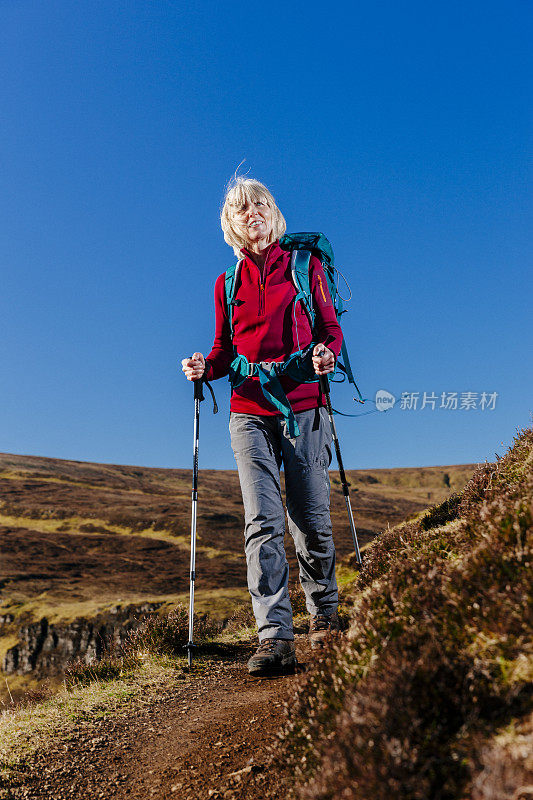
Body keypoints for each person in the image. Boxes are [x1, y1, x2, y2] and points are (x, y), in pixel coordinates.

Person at [182, 177, 342, 675]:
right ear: (232, 224)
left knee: (310, 516)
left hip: (304, 404)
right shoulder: (225, 285)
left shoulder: (305, 267)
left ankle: (326, 617)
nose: (253, 212)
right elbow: (224, 352)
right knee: (261, 522)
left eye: (261, 205)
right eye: (242, 208)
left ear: (273, 215)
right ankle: (274, 637)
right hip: (247, 410)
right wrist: (204, 368)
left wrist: (324, 356)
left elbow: (331, 331)